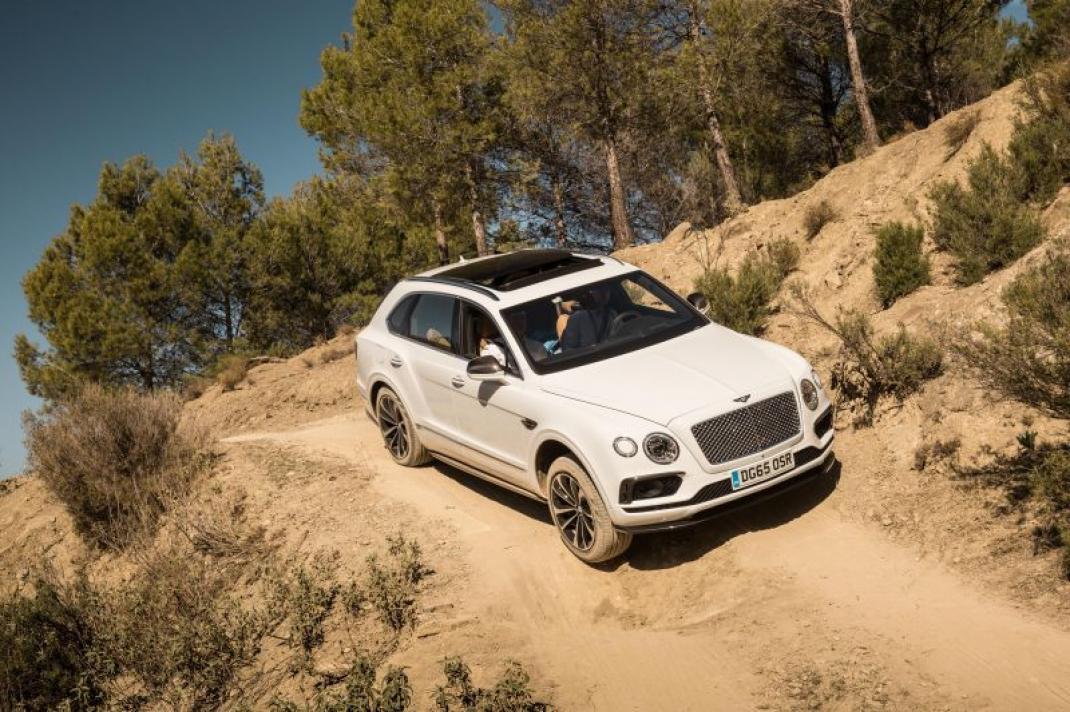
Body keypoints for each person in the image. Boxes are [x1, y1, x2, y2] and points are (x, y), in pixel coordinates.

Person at [558, 284, 617, 351]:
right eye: (599, 289)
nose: (604, 293)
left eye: (606, 289)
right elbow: (568, 350)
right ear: (589, 293)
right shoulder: (577, 318)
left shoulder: (612, 313)